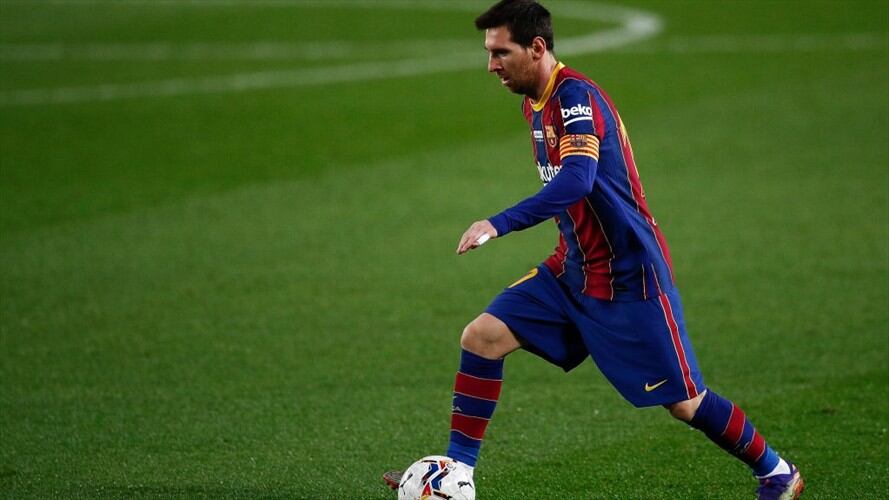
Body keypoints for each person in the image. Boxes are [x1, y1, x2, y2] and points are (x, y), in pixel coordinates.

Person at [385, 1, 804, 498]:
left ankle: (776, 472)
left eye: (501, 52)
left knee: (685, 402)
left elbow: (579, 180)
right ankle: (455, 474)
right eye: (488, 52)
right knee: (482, 337)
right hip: (574, 268)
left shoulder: (575, 97)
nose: (491, 65)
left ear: (537, 48)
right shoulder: (533, 103)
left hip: (630, 276)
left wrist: (498, 224)